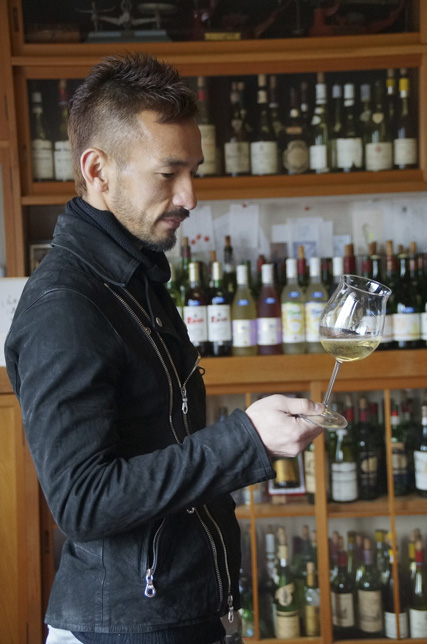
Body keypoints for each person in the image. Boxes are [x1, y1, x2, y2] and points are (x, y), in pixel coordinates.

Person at [5, 53, 324, 644]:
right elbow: (82, 502)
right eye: (168, 173)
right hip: (125, 629)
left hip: (180, 613)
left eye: (193, 171)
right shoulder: (65, 307)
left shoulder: (136, 277)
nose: (190, 196)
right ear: (98, 171)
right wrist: (246, 441)